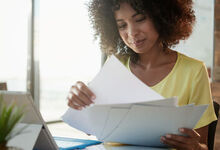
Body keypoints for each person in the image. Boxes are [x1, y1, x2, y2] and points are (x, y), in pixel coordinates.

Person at [67, 0, 217, 149]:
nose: (132, 33)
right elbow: (90, 127)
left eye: (139, 19)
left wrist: (196, 147)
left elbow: (203, 145)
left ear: (161, 16)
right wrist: (79, 101)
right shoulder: (115, 66)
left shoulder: (194, 71)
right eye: (122, 25)